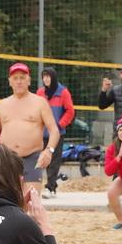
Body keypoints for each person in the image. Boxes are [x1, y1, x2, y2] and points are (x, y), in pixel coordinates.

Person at [0, 63, 60, 194]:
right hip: (7, 158)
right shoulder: (3, 105)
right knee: (5, 199)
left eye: (22, 78)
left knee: (31, 200)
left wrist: (49, 150)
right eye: (15, 78)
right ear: (10, 81)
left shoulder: (40, 103)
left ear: (29, 81)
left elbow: (54, 130)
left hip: (32, 157)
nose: (19, 81)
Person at [36, 67, 75, 198]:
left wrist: (59, 125)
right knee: (40, 160)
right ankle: (39, 187)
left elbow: (70, 111)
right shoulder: (40, 92)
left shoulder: (63, 92)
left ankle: (50, 188)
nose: (46, 79)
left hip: (57, 134)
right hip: (42, 133)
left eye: (48, 76)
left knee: (54, 161)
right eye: (44, 76)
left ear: (53, 77)